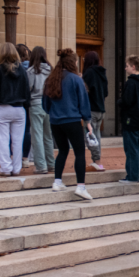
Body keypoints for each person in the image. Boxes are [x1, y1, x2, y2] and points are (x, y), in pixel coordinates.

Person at [43, 48, 94, 200]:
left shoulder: (51, 79)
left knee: (63, 150)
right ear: (73, 63)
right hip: (72, 120)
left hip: (55, 121)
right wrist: (87, 121)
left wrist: (53, 113)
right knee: (79, 152)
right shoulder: (76, 79)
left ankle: (57, 181)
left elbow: (45, 104)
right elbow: (83, 102)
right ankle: (81, 186)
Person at [0, 42, 31, 177]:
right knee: (18, 140)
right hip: (19, 109)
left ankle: (6, 167)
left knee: (2, 139)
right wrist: (26, 107)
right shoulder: (22, 71)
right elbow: (27, 92)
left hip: (1, 108)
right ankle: (16, 168)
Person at [119, 55, 139, 183]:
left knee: (131, 148)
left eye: (127, 66)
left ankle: (132, 176)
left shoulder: (131, 82)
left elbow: (127, 101)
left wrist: (119, 102)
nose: (125, 68)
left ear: (133, 67)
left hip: (131, 120)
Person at [25, 46, 54, 174]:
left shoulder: (31, 71)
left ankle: (41, 166)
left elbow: (28, 89)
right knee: (48, 136)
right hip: (49, 105)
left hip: (36, 104)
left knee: (37, 136)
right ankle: (51, 163)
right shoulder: (51, 70)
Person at [82, 51, 108, 171]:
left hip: (91, 109)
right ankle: (97, 161)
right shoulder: (102, 72)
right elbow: (106, 92)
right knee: (96, 135)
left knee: (90, 135)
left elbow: (85, 91)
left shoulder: (89, 73)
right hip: (101, 109)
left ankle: (96, 161)